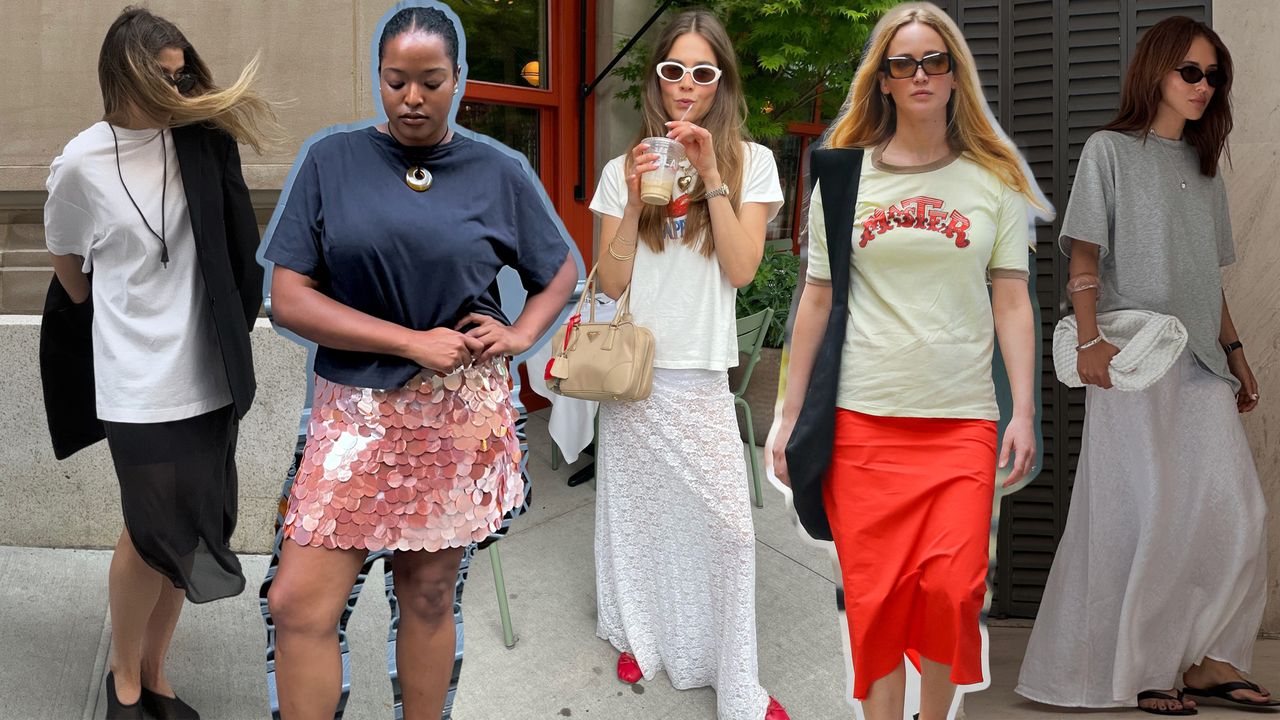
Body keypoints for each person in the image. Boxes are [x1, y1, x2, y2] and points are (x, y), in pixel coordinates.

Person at [262, 6, 576, 718]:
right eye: (396, 80)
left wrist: (523, 331)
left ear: (458, 81)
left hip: (454, 416)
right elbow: (288, 298)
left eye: (430, 82)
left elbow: (558, 270)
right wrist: (408, 341)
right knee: (297, 603)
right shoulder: (331, 160)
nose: (411, 97)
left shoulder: (499, 170)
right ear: (378, 77)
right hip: (355, 417)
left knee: (429, 595)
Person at [771, 3, 1049, 719]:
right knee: (877, 602)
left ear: (955, 76)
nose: (920, 73)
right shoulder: (842, 177)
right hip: (864, 422)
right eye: (904, 63)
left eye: (935, 60)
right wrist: (786, 413)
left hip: (961, 422)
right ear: (885, 81)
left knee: (951, 592)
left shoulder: (996, 178)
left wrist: (1022, 410)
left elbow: (1012, 300)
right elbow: (816, 299)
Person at [1015, 16, 1273, 716]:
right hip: (1132, 360)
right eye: (1190, 71)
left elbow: (1205, 279)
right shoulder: (1110, 150)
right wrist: (1092, 341)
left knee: (1236, 510)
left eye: (1213, 75)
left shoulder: (1203, 164)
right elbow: (1085, 255)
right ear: (1156, 70)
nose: (1203, 85)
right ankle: (1144, 668)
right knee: (1146, 512)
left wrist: (1236, 354)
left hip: (1198, 361)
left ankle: (1212, 661)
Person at [40, 6, 276, 719]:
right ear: (122, 78)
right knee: (151, 535)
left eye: (182, 76)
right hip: (135, 387)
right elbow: (67, 264)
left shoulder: (203, 144)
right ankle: (123, 681)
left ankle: (157, 671)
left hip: (207, 380)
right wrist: (123, 316)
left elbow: (238, 247)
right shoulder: (81, 162)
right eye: (160, 79)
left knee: (195, 536)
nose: (176, 92)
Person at [589, 9, 788, 720]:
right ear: (657, 78)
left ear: (721, 83)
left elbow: (740, 268)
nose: (686, 85)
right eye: (673, 70)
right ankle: (637, 631)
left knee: (730, 532)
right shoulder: (623, 168)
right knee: (637, 521)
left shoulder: (750, 161)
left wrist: (708, 173)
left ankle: (737, 680)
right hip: (636, 375)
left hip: (701, 376)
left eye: (703, 72)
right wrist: (636, 203)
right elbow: (612, 284)